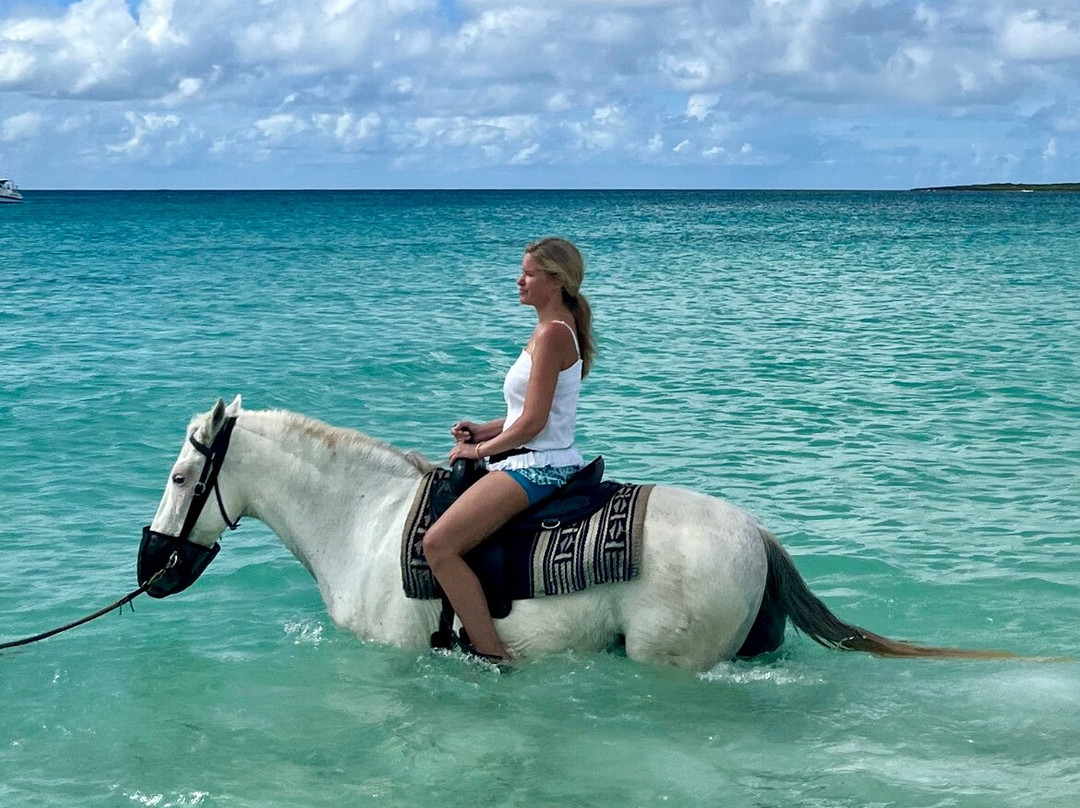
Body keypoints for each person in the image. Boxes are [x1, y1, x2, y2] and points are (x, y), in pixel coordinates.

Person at [422, 237, 595, 663]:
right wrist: (483, 429)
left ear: (555, 281)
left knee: (438, 546)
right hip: (538, 455)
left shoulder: (552, 334)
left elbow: (534, 425)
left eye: (529, 274)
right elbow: (528, 413)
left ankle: (492, 655)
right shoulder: (552, 330)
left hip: (538, 467)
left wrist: (478, 452)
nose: (519, 281)